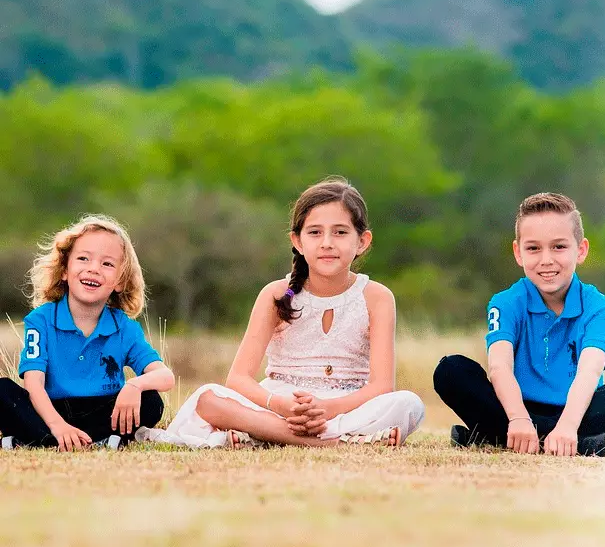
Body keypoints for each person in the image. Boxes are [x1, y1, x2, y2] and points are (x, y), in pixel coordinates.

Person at [140, 177, 424, 449]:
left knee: (408, 404)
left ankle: (266, 435)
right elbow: (238, 379)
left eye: (340, 232)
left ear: (362, 241)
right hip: (280, 405)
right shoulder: (276, 294)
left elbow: (381, 386)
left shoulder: (377, 297)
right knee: (208, 399)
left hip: (346, 406)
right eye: (314, 232)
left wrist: (326, 409)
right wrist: (280, 405)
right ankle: (335, 442)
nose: (327, 242)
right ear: (298, 241)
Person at [433, 193, 605, 457]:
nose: (546, 260)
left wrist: (567, 425)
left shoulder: (600, 307)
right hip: (513, 407)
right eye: (533, 248)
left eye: (558, 247)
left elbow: (590, 371)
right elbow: (499, 367)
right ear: (518, 253)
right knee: (451, 371)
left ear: (581, 250)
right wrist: (519, 419)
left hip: (575, 410)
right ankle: (584, 444)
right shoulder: (505, 303)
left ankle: (496, 437)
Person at [0, 215, 175, 450]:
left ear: (120, 281)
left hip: (101, 411)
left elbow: (166, 377)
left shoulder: (125, 327)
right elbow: (34, 385)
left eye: (107, 264)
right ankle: (62, 439)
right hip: (49, 410)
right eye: (83, 259)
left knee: (151, 401)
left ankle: (37, 442)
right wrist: (59, 426)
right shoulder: (40, 320)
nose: (93, 269)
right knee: (2, 391)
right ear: (64, 270)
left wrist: (135, 386)